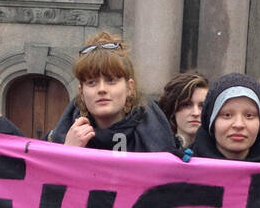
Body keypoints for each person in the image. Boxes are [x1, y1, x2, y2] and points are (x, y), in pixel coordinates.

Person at [48, 33, 179, 154]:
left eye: (111, 80)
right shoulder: (61, 137)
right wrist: (67, 153)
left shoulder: (157, 137)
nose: (101, 89)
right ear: (81, 93)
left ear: (129, 88)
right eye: (92, 82)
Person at [188, 74, 260, 162]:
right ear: (211, 121)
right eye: (227, 115)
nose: (238, 124)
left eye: (249, 115)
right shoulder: (184, 169)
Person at [157, 71, 209, 151]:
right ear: (172, 109)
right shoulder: (154, 149)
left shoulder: (222, 155)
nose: (196, 113)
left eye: (202, 105)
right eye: (186, 105)